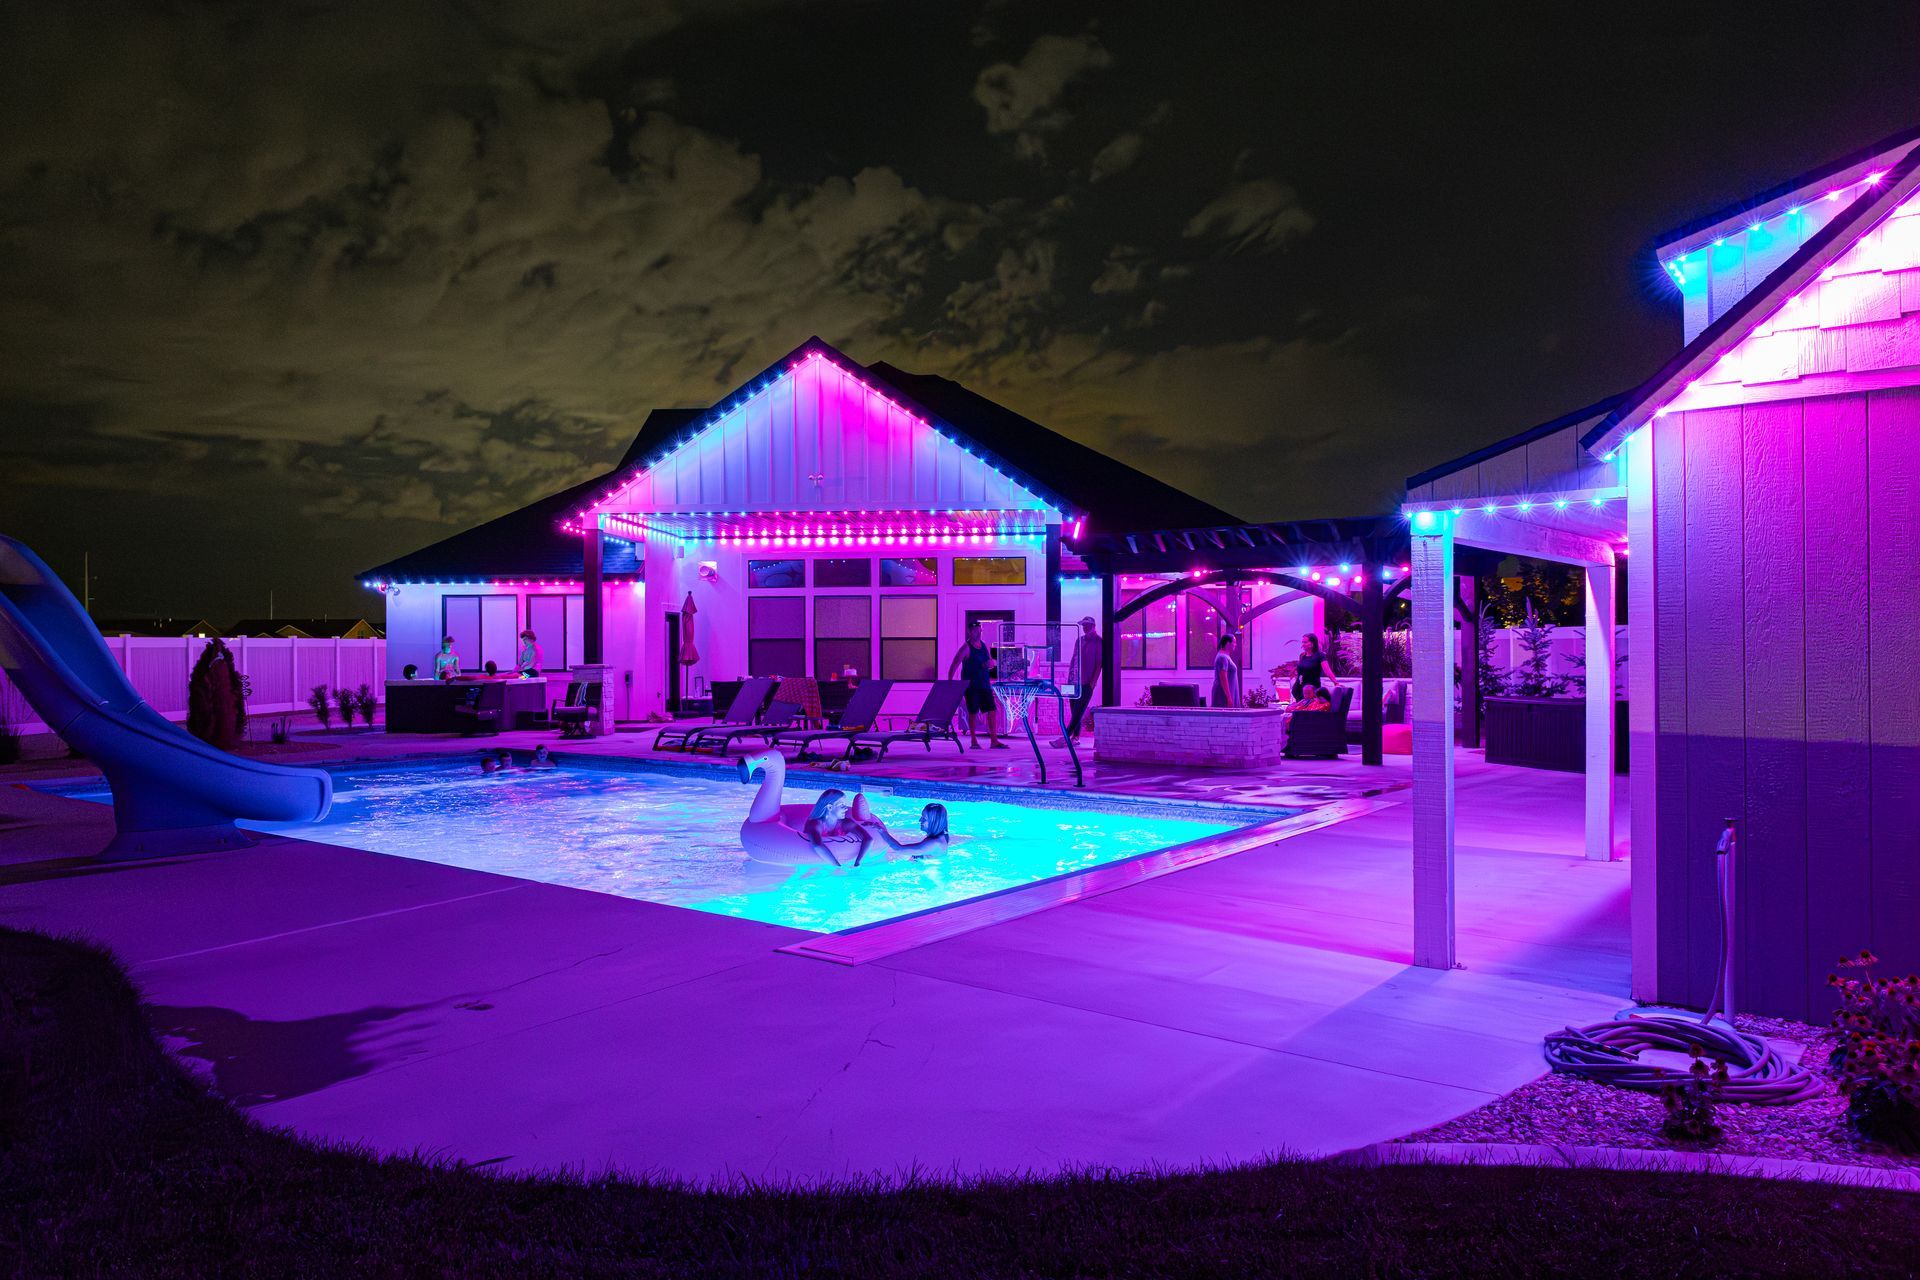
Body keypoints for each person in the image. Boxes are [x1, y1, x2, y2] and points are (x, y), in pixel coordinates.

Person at [947, 620, 1006, 749]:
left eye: (979, 630)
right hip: (971, 686)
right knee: (973, 712)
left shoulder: (983, 645)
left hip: (984, 685)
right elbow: (954, 665)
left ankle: (994, 740)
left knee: (992, 711)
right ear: (969, 631)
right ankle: (974, 740)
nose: (978, 633)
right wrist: (950, 683)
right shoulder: (966, 648)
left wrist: (990, 664)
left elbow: (988, 661)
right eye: (975, 631)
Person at [1051, 615, 1103, 748]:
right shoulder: (1079, 640)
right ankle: (1076, 737)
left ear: (1093, 626)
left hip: (1087, 682)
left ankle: (1065, 737)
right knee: (1074, 710)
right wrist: (1069, 679)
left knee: (1079, 710)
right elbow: (1074, 659)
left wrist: (1093, 682)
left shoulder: (1098, 641)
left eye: (1087, 625)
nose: (1084, 627)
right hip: (1073, 680)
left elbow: (1099, 663)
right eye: (1083, 625)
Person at [850, 795, 952, 860]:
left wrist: (880, 830)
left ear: (934, 822)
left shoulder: (934, 843)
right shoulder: (942, 835)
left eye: (924, 819)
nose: (920, 821)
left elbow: (899, 849)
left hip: (932, 877)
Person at [801, 789, 872, 867]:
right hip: (810, 861)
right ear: (830, 807)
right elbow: (817, 845)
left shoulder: (845, 823)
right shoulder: (815, 824)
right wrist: (838, 867)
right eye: (842, 805)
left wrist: (858, 862)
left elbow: (868, 839)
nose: (846, 808)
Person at [1291, 633, 1341, 701]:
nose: (1303, 644)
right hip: (1299, 688)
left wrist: (1336, 683)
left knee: (1307, 708)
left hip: (1310, 689)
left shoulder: (1320, 655)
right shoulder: (1302, 655)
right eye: (1302, 642)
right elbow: (1301, 671)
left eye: (1305, 642)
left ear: (1312, 643)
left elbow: (1327, 671)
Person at [1211, 632, 1243, 708]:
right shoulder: (1222, 657)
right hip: (1223, 695)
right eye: (1234, 642)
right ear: (1228, 643)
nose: (1236, 644)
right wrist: (1229, 697)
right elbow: (1223, 678)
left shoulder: (1225, 656)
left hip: (1228, 693)